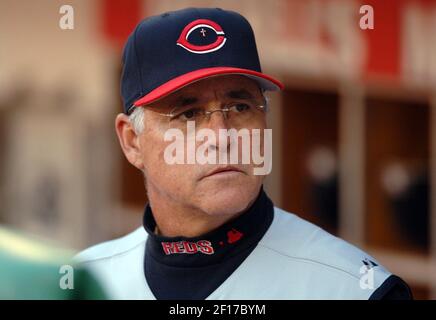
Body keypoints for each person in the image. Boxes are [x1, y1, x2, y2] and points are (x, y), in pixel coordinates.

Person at [75, 7, 412, 300]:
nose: (222, 136)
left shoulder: (354, 289)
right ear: (133, 141)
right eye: (188, 114)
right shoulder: (82, 285)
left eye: (239, 106)